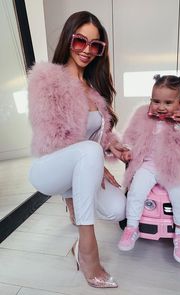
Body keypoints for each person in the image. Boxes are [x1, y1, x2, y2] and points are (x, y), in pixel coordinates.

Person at [27, 11, 128, 288]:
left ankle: (75, 208)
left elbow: (99, 135)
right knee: (88, 153)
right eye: (80, 41)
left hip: (85, 161)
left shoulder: (95, 90)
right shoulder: (47, 80)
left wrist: (115, 148)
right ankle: (87, 251)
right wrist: (96, 159)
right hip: (49, 168)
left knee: (119, 209)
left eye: (95, 45)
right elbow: (51, 137)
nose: (87, 50)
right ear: (68, 39)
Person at [118, 74, 180, 264]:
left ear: (179, 103)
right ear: (150, 100)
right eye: (156, 101)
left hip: (173, 166)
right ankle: (131, 227)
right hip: (147, 164)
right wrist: (129, 151)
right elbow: (132, 137)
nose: (161, 107)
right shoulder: (143, 116)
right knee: (135, 191)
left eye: (168, 102)